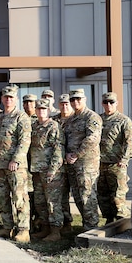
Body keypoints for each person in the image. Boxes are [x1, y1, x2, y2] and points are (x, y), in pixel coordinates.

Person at [0, 85, 32, 243]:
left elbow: (24, 141)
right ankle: (7, 226)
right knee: (0, 197)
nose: (8, 100)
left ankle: (23, 230)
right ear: (1, 99)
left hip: (15, 166)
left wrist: (16, 159)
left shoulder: (21, 117)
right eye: (5, 97)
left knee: (19, 198)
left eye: (11, 97)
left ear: (16, 100)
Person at [63, 89, 102, 230]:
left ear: (85, 99)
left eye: (78, 99)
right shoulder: (71, 119)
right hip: (72, 164)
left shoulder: (91, 117)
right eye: (72, 99)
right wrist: (67, 154)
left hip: (86, 163)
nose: (75, 102)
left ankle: (92, 229)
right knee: (77, 196)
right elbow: (66, 140)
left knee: (87, 195)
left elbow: (92, 139)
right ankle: (86, 226)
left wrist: (76, 154)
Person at [98, 92, 132, 224]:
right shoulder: (98, 119)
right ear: (102, 103)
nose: (108, 105)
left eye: (111, 102)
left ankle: (123, 222)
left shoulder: (123, 120)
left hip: (117, 164)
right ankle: (109, 220)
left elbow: (130, 142)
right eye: (105, 102)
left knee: (117, 195)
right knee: (103, 195)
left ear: (117, 103)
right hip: (100, 164)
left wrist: (124, 159)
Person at [29, 99, 65, 242]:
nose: (41, 111)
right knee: (40, 201)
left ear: (48, 111)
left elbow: (58, 149)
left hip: (50, 171)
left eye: (44, 109)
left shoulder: (54, 126)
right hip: (36, 170)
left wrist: (53, 169)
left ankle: (56, 231)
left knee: (52, 201)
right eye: (38, 109)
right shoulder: (34, 126)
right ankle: (45, 229)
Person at [57, 93, 74, 231]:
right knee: (61, 194)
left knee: (79, 194)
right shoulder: (54, 120)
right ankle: (66, 222)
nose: (64, 106)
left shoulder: (75, 119)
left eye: (67, 103)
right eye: (62, 104)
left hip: (75, 162)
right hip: (59, 163)